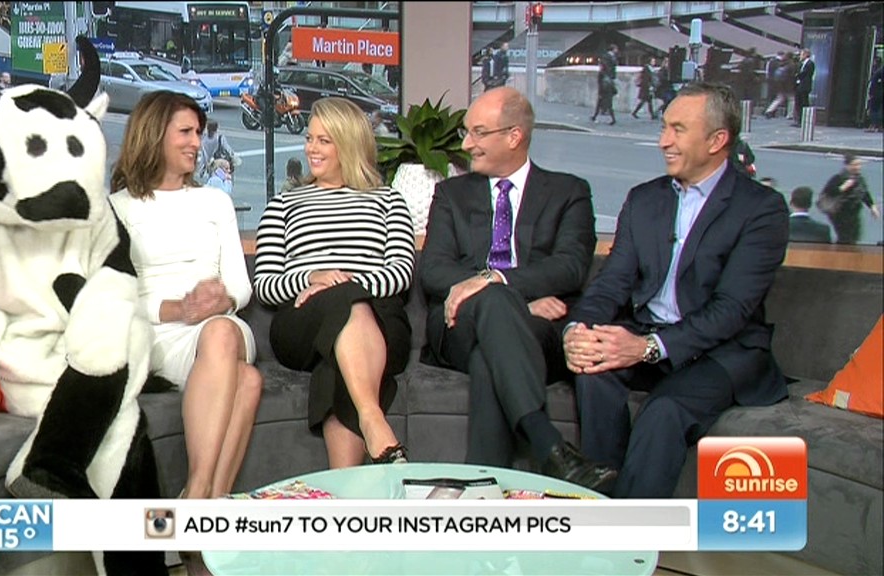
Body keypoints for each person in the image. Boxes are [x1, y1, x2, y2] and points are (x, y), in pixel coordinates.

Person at [564, 82, 790, 498]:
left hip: (723, 351)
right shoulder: (644, 199)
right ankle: (600, 505)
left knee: (664, 411)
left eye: (678, 129)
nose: (663, 141)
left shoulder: (761, 209)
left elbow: (732, 308)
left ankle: (633, 532)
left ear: (717, 141)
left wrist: (648, 347)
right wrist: (578, 330)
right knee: (593, 372)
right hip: (649, 333)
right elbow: (612, 282)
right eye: (664, 127)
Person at [419, 86, 616, 490]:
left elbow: (570, 266)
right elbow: (434, 270)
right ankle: (549, 446)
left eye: (478, 132)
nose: (466, 144)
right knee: (494, 306)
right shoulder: (452, 194)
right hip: (459, 326)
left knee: (488, 358)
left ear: (514, 136)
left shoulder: (569, 192)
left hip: (538, 332)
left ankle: (482, 492)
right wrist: (514, 301)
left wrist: (498, 282)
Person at [108, 91, 262, 506]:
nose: (197, 142)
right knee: (248, 381)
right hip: (157, 333)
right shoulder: (117, 208)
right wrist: (179, 309)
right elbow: (114, 296)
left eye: (198, 132)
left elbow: (240, 286)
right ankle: (211, 506)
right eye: (186, 132)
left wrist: (219, 302)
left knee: (221, 333)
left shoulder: (215, 201)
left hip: (221, 327)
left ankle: (194, 493)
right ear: (154, 134)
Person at [254, 97, 416, 468]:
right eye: (310, 139)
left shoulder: (389, 200)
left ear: (348, 143)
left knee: (336, 366)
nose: (311, 148)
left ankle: (346, 490)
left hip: (380, 321)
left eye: (323, 140)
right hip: (303, 321)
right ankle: (373, 419)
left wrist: (345, 286)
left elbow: (400, 273)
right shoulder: (283, 204)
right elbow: (265, 285)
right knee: (340, 305)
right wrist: (312, 278)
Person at [818, 153, 880, 244]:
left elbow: (864, 193)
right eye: (854, 165)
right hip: (840, 214)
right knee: (845, 238)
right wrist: (843, 187)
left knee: (854, 237)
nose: (858, 167)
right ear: (847, 165)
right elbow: (829, 191)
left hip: (854, 213)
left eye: (859, 164)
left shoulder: (859, 179)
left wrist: (872, 206)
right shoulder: (838, 178)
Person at [592, 44, 619, 125]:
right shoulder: (609, 57)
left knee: (601, 100)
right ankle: (612, 119)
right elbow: (607, 69)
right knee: (608, 100)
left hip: (606, 82)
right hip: (607, 82)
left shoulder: (609, 57)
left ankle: (595, 116)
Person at [792, 49, 815, 127]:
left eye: (801, 55)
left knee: (803, 103)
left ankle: (803, 121)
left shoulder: (810, 63)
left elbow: (804, 74)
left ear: (806, 55)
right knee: (798, 103)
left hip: (804, 86)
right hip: (799, 85)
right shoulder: (801, 64)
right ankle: (798, 120)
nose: (800, 56)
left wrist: (797, 75)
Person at [865, 58, 883, 133]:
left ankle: (873, 125)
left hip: (876, 93)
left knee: (874, 109)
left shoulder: (878, 72)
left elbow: (873, 83)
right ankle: (880, 126)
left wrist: (871, 93)